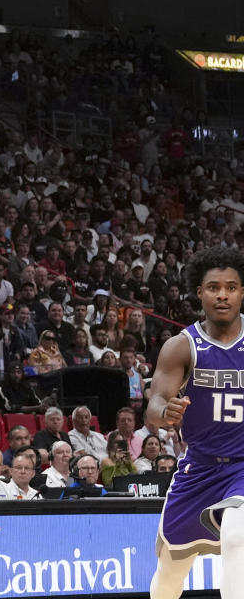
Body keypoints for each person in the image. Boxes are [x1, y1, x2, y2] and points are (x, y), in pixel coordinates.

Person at [148, 247, 244, 599]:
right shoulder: (182, 346)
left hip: (243, 467)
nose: (222, 294)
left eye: (232, 287)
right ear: (199, 292)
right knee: (171, 571)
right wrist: (165, 412)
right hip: (199, 468)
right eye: (214, 287)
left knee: (238, 534)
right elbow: (154, 404)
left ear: (242, 293)